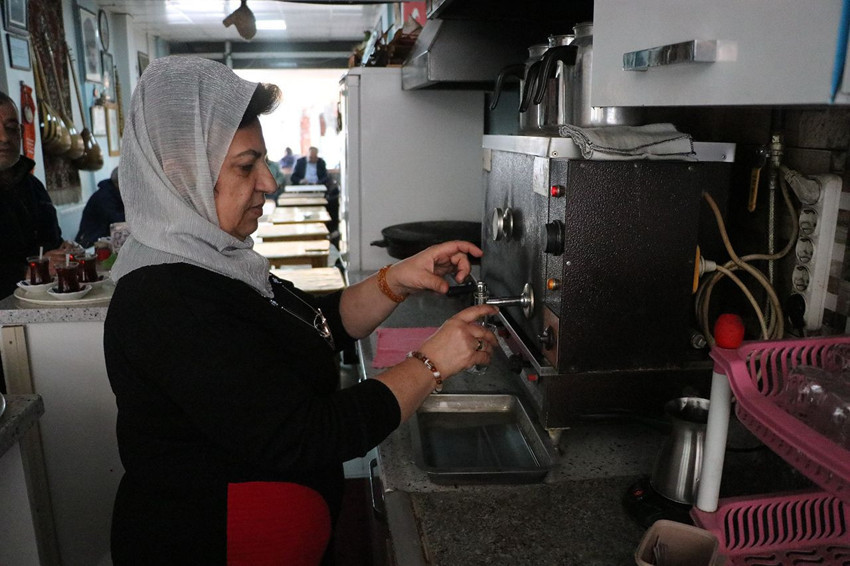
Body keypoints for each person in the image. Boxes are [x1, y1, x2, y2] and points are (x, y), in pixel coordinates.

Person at [104, 55, 498, 565]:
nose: (269, 182)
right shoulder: (169, 299)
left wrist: (395, 279)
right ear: (181, 173)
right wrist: (432, 362)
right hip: (211, 543)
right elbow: (307, 435)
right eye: (247, 166)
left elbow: (309, 323)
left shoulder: (212, 259)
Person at [0, 90, 74, 300]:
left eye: (11, 128)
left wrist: (62, 253)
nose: (4, 138)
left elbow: (50, 243)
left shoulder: (32, 186)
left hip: (43, 302)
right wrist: (25, 271)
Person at [75, 166, 125, 248]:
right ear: (119, 183)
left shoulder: (113, 192)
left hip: (101, 238)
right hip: (91, 243)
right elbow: (117, 221)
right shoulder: (104, 197)